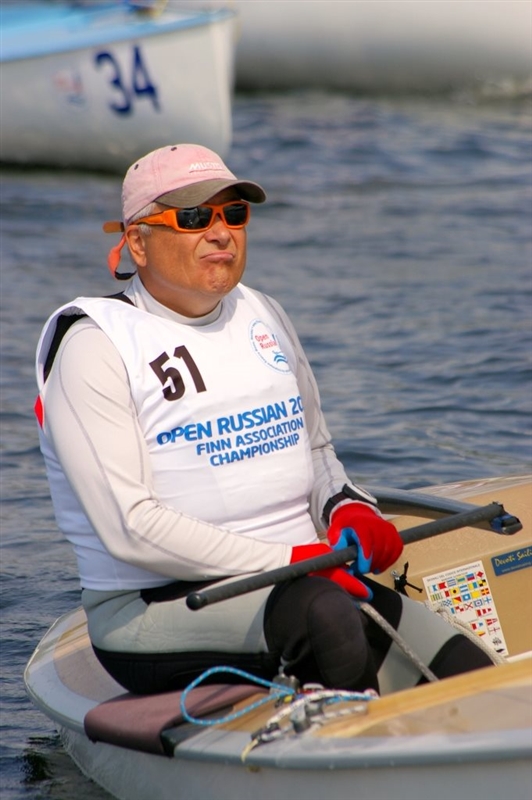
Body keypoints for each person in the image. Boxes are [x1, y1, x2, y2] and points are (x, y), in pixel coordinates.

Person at [34, 143, 492, 696]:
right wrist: (293, 561)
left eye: (234, 214)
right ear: (138, 242)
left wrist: (347, 506)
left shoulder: (264, 312)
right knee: (323, 614)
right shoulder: (93, 345)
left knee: (470, 667)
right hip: (155, 607)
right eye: (194, 217)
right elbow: (132, 529)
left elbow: (316, 452)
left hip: (304, 580)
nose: (221, 233)